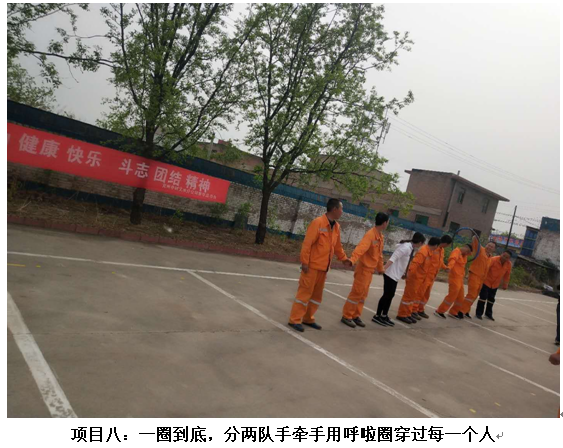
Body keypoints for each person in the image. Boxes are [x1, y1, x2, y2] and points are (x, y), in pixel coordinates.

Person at [288, 199, 352, 332]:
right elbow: (307, 244)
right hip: (312, 267)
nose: (342, 212)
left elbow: (337, 247)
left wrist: (344, 259)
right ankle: (295, 319)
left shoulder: (336, 227)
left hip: (324, 268)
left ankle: (308, 318)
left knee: (316, 297)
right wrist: (305, 262)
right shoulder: (318, 222)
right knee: (304, 294)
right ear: (334, 209)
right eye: (341, 209)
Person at [341, 212, 389, 328]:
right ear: (384, 223)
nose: (387, 224)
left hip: (370, 271)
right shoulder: (371, 235)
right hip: (363, 269)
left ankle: (355, 315)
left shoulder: (380, 237)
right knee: (356, 293)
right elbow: (360, 249)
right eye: (387, 222)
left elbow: (379, 255)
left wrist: (380, 268)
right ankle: (347, 316)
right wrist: (352, 260)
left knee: (362, 295)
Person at [372, 232, 427, 327]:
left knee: (390, 296)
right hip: (390, 274)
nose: (421, 246)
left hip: (395, 275)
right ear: (420, 242)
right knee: (387, 295)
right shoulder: (405, 247)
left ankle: (384, 315)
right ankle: (377, 316)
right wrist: (383, 269)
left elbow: (404, 262)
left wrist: (404, 272)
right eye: (422, 243)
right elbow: (393, 258)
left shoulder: (410, 248)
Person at [450, 236, 496, 319]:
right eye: (489, 245)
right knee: (471, 294)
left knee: (474, 296)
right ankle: (461, 311)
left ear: (494, 249)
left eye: (492, 247)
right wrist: (475, 236)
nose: (489, 247)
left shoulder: (490, 257)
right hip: (475, 274)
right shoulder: (480, 250)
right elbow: (475, 241)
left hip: (481, 279)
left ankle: (466, 310)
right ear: (486, 245)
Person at [393, 233, 432, 324]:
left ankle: (407, 313)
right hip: (414, 278)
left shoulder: (425, 251)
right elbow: (414, 264)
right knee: (408, 297)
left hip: (418, 279)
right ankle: (402, 314)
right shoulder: (423, 252)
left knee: (412, 298)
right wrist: (408, 274)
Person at [412, 235, 452, 319]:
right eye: (448, 244)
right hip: (426, 275)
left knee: (426, 294)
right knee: (420, 293)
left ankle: (420, 309)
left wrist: (445, 267)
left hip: (432, 276)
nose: (448, 246)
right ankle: (414, 309)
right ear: (445, 243)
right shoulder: (433, 248)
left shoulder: (441, 250)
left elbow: (440, 262)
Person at [434, 244, 473, 319]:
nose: (467, 254)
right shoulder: (456, 252)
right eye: (467, 251)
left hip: (460, 278)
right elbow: (452, 260)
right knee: (452, 294)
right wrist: (449, 267)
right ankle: (440, 311)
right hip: (454, 277)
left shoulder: (464, 255)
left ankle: (453, 312)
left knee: (460, 297)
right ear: (465, 248)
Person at [475, 250, 512, 320]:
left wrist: (505, 284)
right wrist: (481, 278)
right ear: (501, 254)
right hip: (486, 282)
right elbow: (486, 268)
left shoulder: (508, 264)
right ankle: (479, 313)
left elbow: (507, 275)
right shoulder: (494, 259)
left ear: (508, 259)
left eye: (506, 257)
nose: (504, 258)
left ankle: (488, 314)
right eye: (504, 256)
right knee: (483, 297)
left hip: (495, 284)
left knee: (491, 299)